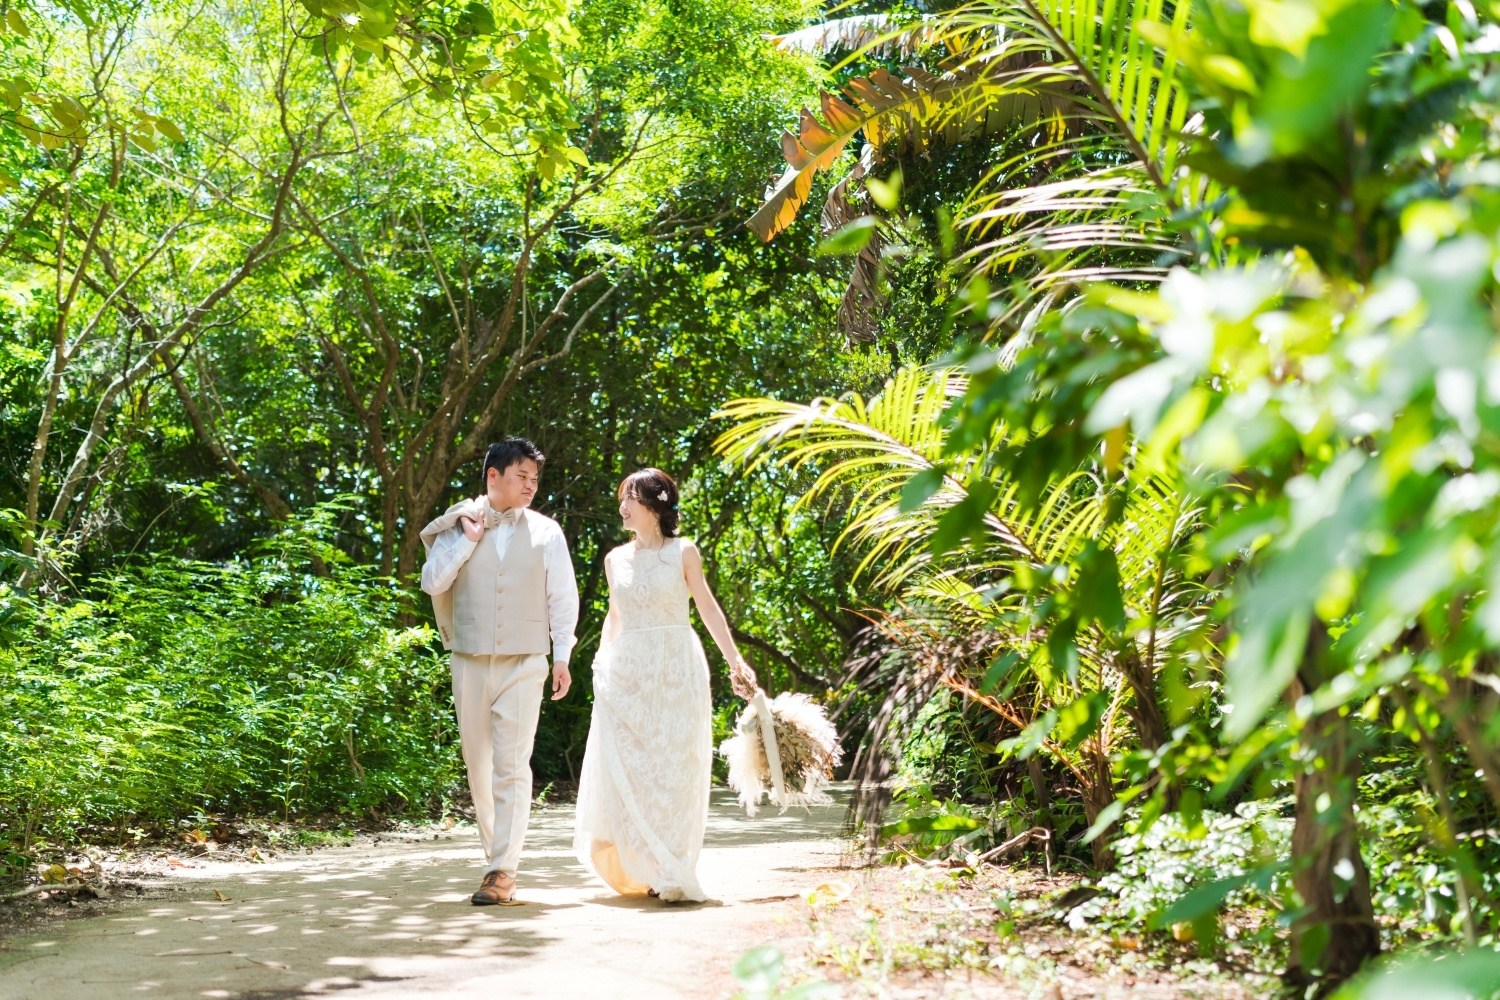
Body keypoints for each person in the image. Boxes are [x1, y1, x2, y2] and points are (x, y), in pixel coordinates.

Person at [572, 468, 758, 902]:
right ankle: (650, 867)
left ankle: (673, 869)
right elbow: (614, 616)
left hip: (677, 669)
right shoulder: (614, 559)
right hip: (630, 672)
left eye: (629, 499)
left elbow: (709, 610)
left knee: (675, 770)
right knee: (636, 772)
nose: (621, 507)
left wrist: (736, 661)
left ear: (654, 505)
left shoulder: (683, 552)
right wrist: (602, 660)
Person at [419, 438, 579, 905]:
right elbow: (432, 582)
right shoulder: (458, 525)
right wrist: (467, 542)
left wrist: (562, 654)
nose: (531, 486)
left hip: (525, 662)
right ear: (494, 477)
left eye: (534, 479)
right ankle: (496, 858)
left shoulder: (548, 532)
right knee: (479, 767)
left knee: (511, 766)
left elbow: (562, 598)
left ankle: (501, 871)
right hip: (468, 659)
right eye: (522, 477)